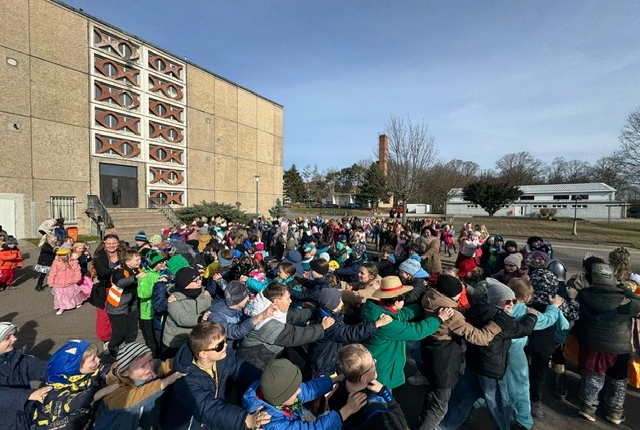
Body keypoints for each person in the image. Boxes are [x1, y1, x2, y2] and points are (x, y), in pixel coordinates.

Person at [438, 281, 538, 430]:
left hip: (474, 363)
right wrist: (532, 316)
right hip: (491, 368)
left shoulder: (478, 309)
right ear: (498, 300)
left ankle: (445, 425)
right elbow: (523, 329)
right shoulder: (501, 318)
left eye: (513, 301)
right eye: (508, 301)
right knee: (499, 406)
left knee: (463, 397)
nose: (512, 304)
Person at [416, 275, 505, 430]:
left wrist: (466, 310)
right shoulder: (452, 316)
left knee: (433, 392)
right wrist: (497, 325)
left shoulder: (430, 297)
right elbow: (479, 337)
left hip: (430, 351)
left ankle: (422, 419)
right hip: (444, 360)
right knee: (440, 407)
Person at [163, 322, 268, 430]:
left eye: (225, 340)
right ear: (203, 353)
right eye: (220, 345)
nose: (225, 345)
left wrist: (267, 382)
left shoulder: (222, 358)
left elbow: (241, 369)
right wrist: (245, 420)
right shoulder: (185, 380)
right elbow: (207, 408)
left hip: (211, 422)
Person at [361, 275, 454, 389]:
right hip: (382, 371)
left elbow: (402, 314)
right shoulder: (385, 323)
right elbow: (416, 331)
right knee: (382, 396)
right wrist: (439, 319)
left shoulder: (378, 310)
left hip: (377, 363)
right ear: (397, 301)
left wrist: (422, 306)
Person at [576, 263, 640, 424]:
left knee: (593, 376)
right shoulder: (624, 297)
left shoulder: (585, 294)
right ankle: (615, 411)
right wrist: (625, 291)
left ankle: (588, 407)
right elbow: (637, 306)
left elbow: (579, 313)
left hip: (593, 343)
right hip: (620, 345)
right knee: (618, 379)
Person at [242, 358, 366, 429]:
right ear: (281, 399)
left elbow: (308, 389)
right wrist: (347, 410)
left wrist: (336, 379)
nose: (299, 390)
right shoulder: (272, 423)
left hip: (292, 413)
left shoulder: (273, 391)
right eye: (294, 391)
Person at [238, 282, 334, 369]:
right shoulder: (267, 323)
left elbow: (293, 315)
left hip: (266, 354)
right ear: (276, 301)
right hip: (255, 362)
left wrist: (315, 313)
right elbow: (295, 335)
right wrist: (321, 327)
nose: (290, 301)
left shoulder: (269, 308)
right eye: (288, 298)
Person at [93, 342, 184, 429]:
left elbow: (165, 366)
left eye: (150, 360)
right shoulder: (115, 389)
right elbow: (139, 395)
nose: (149, 368)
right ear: (125, 372)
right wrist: (165, 382)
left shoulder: (146, 369)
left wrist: (185, 358)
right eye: (142, 366)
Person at [31, 340, 116, 429]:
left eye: (96, 356)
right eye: (92, 359)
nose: (98, 359)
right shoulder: (54, 393)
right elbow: (76, 402)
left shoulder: (88, 371)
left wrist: (116, 372)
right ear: (75, 367)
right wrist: (102, 392)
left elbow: (103, 369)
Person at [329, 343, 408, 430]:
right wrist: (386, 394)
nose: (375, 361)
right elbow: (401, 426)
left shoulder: (339, 389)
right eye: (372, 364)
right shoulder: (375, 408)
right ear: (363, 378)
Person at [0, 322, 51, 430]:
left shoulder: (17, 358)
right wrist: (28, 395)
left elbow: (40, 368)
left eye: (14, 335)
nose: (14, 339)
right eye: (7, 338)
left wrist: (67, 368)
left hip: (25, 417)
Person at [162, 267, 213, 359]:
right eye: (196, 280)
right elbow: (182, 318)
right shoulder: (174, 299)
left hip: (196, 340)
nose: (200, 282)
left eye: (200, 278)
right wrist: (200, 318)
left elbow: (213, 307)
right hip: (176, 342)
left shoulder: (203, 294)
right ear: (185, 284)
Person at [107, 249, 144, 358]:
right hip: (117, 306)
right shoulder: (119, 270)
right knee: (120, 332)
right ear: (127, 262)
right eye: (136, 260)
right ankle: (112, 347)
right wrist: (135, 277)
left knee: (132, 331)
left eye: (140, 259)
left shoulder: (138, 269)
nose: (139, 262)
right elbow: (119, 282)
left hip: (132, 305)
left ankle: (130, 350)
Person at [90, 234, 124, 352]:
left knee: (120, 313)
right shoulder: (99, 256)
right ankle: (106, 340)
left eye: (114, 243)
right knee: (104, 315)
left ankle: (118, 335)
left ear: (118, 243)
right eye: (108, 243)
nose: (111, 245)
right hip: (104, 290)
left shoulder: (123, 255)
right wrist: (115, 269)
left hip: (120, 289)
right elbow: (102, 272)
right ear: (104, 244)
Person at [137, 249, 167, 355]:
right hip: (148, 314)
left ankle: (161, 359)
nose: (164, 263)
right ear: (153, 264)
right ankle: (153, 359)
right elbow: (142, 293)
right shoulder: (145, 275)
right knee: (151, 340)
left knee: (161, 338)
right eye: (160, 262)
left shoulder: (165, 273)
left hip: (160, 312)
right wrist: (156, 285)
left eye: (164, 261)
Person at [48, 246, 84, 315]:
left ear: (68, 254)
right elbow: (52, 273)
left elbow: (77, 271)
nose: (63, 256)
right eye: (61, 255)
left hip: (70, 281)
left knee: (72, 294)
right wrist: (51, 282)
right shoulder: (56, 263)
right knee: (60, 296)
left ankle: (76, 303)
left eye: (64, 255)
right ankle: (62, 307)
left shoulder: (73, 262)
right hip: (59, 283)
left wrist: (76, 279)